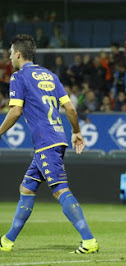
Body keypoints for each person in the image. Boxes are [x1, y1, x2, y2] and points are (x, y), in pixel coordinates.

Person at [0, 34, 98, 254]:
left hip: (45, 142)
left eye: (10, 53)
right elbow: (70, 109)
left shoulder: (18, 77)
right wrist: (77, 132)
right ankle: (7, 240)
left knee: (60, 190)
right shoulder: (50, 76)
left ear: (18, 54)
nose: (9, 57)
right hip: (57, 138)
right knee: (26, 188)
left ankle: (89, 240)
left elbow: (15, 111)